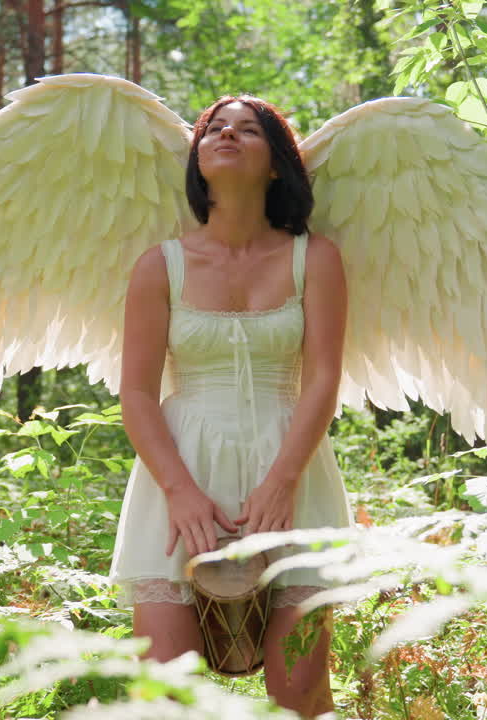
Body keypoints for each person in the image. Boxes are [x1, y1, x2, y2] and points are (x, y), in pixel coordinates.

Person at [111, 95, 353, 717]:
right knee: (167, 694)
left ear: (275, 163)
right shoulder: (159, 266)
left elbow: (324, 378)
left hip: (291, 469)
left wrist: (282, 481)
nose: (226, 135)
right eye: (214, 129)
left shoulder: (315, 258)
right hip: (180, 474)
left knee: (299, 693)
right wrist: (181, 493)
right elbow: (136, 393)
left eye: (247, 130)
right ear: (197, 160)